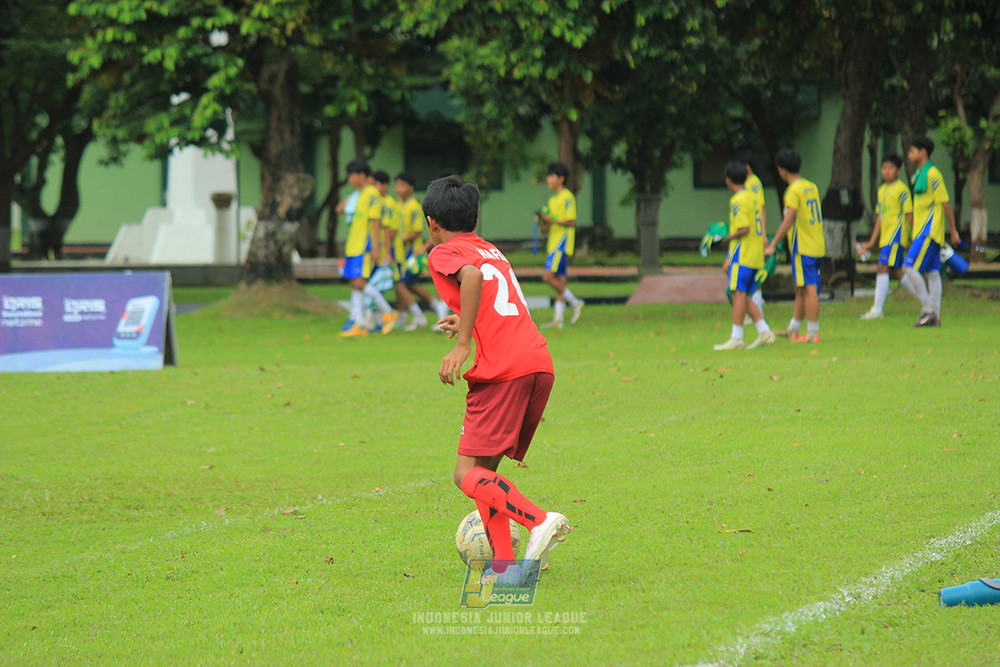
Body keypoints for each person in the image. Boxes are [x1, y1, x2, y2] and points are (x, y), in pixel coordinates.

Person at [425, 174, 570, 584]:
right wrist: (469, 321)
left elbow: (470, 278)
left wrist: (463, 343)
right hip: (536, 362)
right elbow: (494, 295)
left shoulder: (444, 251)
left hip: (503, 370)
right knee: (483, 475)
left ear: (433, 223)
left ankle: (538, 520)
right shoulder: (491, 249)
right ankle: (506, 570)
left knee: (464, 473)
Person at [765, 148, 825, 343]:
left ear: (782, 170)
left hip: (804, 247)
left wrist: (773, 243)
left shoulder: (792, 191)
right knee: (801, 288)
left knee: (809, 289)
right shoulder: (811, 186)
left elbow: (789, 219)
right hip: (817, 244)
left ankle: (813, 333)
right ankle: (793, 329)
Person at [715, 161, 775, 351]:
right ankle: (764, 331)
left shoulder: (738, 200)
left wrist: (726, 238)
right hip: (754, 252)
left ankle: (737, 337)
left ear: (728, 181)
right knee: (745, 294)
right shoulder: (753, 197)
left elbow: (743, 228)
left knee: (738, 294)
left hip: (742, 253)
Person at [902, 136, 962, 327]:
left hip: (929, 231)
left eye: (913, 150)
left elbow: (945, 203)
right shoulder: (919, 174)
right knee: (933, 273)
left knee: (908, 268)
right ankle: (935, 315)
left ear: (923, 152)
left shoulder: (933, 174)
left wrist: (952, 231)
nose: (909, 154)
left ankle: (928, 310)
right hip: (922, 230)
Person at [858, 154, 921, 319]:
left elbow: (909, 214)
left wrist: (916, 237)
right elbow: (880, 217)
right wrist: (872, 241)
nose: (886, 171)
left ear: (898, 170)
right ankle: (925, 301)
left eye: (890, 168)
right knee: (898, 272)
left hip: (896, 235)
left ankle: (877, 310)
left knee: (882, 267)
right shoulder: (881, 190)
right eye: (884, 168)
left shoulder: (902, 190)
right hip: (886, 237)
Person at [340, 159, 397, 337]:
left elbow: (376, 221)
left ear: (362, 175)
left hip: (364, 246)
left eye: (352, 175)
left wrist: (376, 248)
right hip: (353, 245)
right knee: (354, 284)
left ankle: (388, 312)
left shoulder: (372, 193)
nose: (350, 180)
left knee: (360, 282)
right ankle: (360, 324)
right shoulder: (361, 193)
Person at [396, 172, 449, 330]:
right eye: (397, 185)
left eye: (402, 185)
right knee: (405, 283)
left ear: (411, 188)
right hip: (401, 252)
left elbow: (418, 231)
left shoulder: (414, 206)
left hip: (413, 253)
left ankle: (424, 314)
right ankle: (409, 315)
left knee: (404, 283)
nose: (398, 189)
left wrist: (400, 240)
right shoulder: (398, 205)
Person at [536, 162, 583, 328]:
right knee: (560, 281)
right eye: (548, 176)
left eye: (552, 176)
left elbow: (571, 221)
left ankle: (575, 302)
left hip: (561, 243)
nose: (548, 179)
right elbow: (545, 229)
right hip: (553, 242)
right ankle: (558, 319)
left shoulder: (567, 197)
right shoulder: (552, 200)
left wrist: (552, 220)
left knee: (547, 277)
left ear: (561, 179)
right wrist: (543, 221)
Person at [373, 170, 418, 330]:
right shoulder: (392, 203)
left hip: (395, 252)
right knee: (394, 285)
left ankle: (418, 315)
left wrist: (383, 249)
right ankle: (397, 318)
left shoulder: (390, 204)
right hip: (389, 251)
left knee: (400, 285)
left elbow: (391, 231)